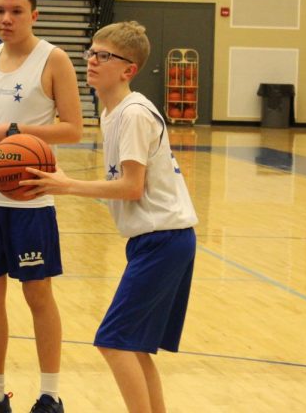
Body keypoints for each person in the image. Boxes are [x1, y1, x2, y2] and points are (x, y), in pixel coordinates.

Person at [22, 21, 198, 413]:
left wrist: (66, 185)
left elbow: (131, 187)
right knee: (132, 346)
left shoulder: (133, 113)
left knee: (114, 341)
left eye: (105, 56)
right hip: (155, 241)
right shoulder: (112, 113)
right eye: (92, 53)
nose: (93, 61)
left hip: (164, 239)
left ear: (128, 70)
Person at [0, 0, 83, 413]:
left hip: (30, 196)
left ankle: (50, 395)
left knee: (37, 293)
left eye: (15, 11)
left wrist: (16, 132)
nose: (6, 19)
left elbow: (73, 128)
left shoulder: (54, 59)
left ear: (34, 13)